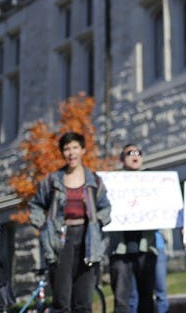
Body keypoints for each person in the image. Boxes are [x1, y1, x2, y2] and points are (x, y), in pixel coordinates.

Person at [29, 131, 112, 313]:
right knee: (61, 299)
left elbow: (105, 207)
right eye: (66, 149)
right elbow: (35, 205)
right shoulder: (52, 181)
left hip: (87, 239)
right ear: (62, 153)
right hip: (60, 239)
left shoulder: (94, 181)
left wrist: (97, 221)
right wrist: (44, 226)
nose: (71, 153)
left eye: (75, 148)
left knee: (83, 300)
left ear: (82, 150)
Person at [110, 143, 159, 313]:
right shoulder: (113, 182)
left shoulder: (152, 179)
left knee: (146, 298)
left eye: (138, 152)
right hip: (120, 249)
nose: (135, 155)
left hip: (146, 247)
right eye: (129, 153)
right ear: (122, 160)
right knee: (121, 300)